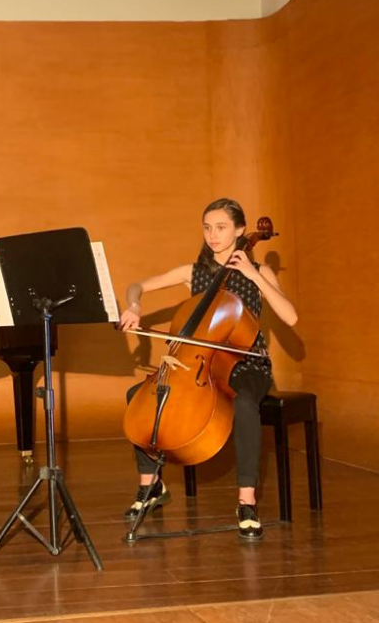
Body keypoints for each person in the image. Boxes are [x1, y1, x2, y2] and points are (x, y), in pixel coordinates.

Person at [118, 198, 298, 539]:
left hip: (248, 363)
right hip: (199, 364)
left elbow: (290, 316)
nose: (213, 235)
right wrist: (135, 305)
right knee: (137, 396)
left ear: (240, 231)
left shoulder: (260, 272)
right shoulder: (194, 273)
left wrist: (253, 276)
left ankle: (247, 500)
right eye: (207, 228)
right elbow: (137, 285)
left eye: (221, 227)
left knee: (245, 404)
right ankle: (151, 486)